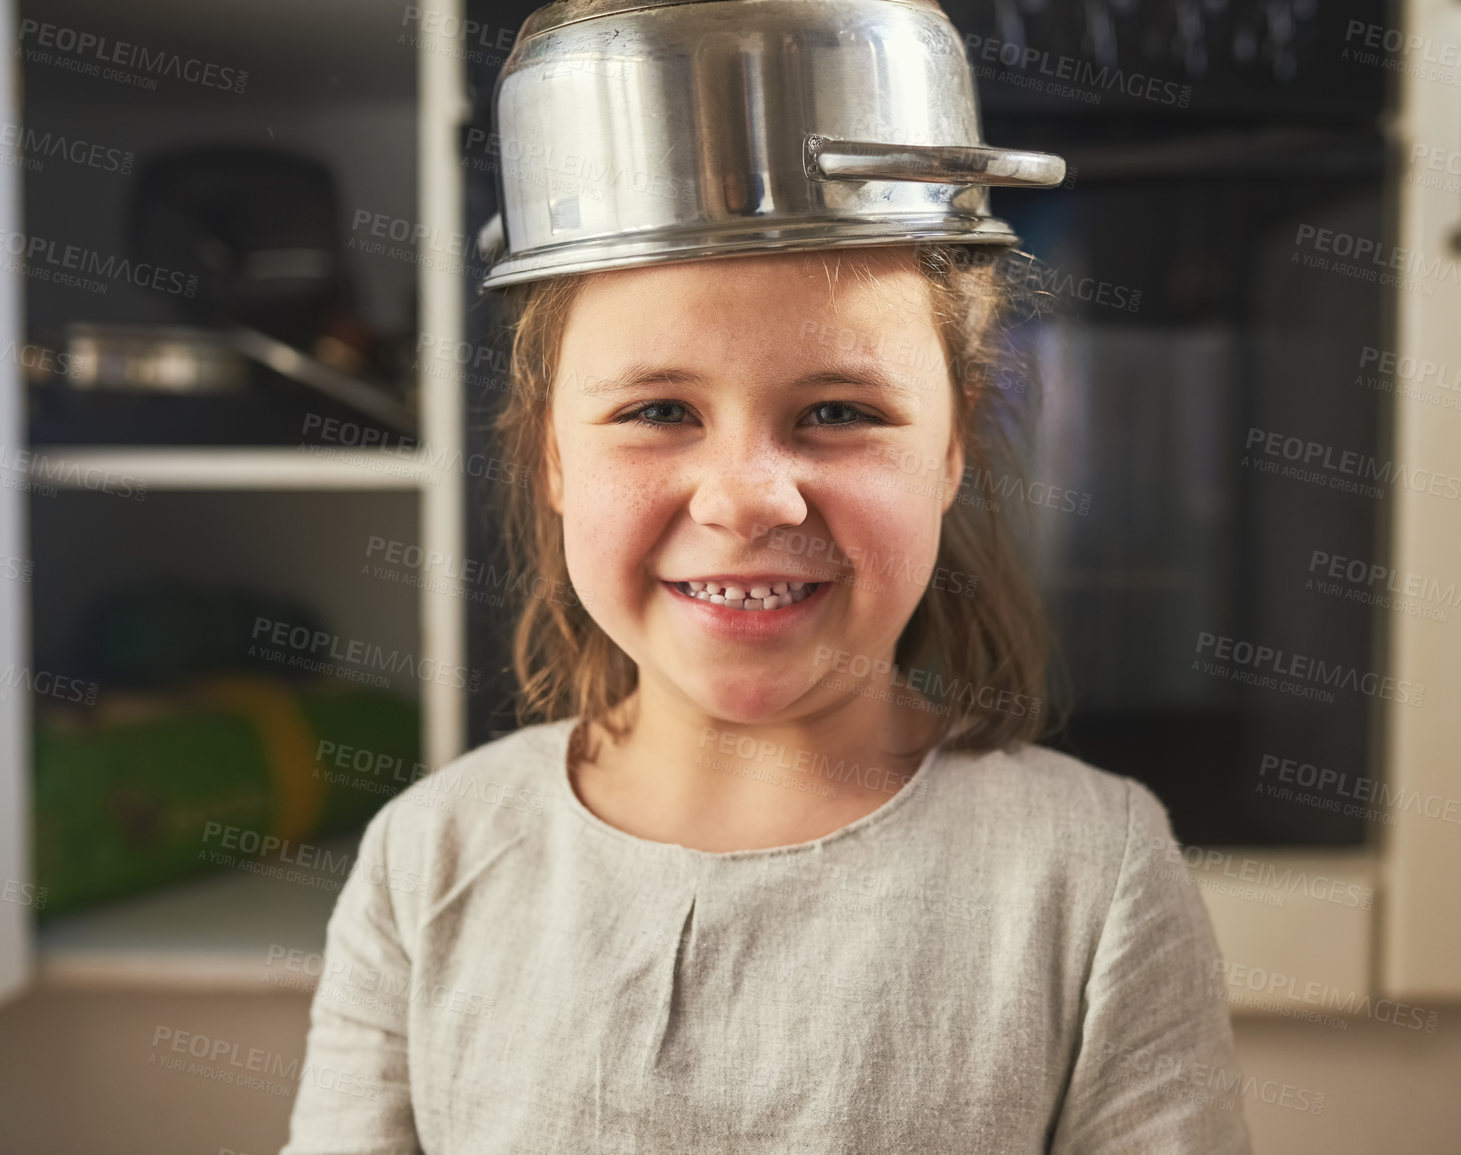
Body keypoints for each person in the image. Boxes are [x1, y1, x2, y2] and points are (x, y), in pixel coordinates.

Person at [278, 239, 1254, 1153]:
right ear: (553, 458)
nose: (745, 499)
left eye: (837, 412)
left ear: (953, 450)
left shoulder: (1095, 870)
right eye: (660, 412)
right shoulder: (431, 851)